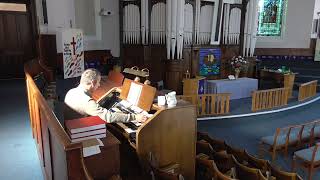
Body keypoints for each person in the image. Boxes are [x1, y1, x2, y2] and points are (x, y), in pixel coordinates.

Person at [64, 68, 147, 123]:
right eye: (98, 82)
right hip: (79, 132)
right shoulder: (88, 102)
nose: (99, 85)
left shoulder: (70, 91)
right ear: (93, 83)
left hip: (72, 126)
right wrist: (135, 117)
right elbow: (108, 117)